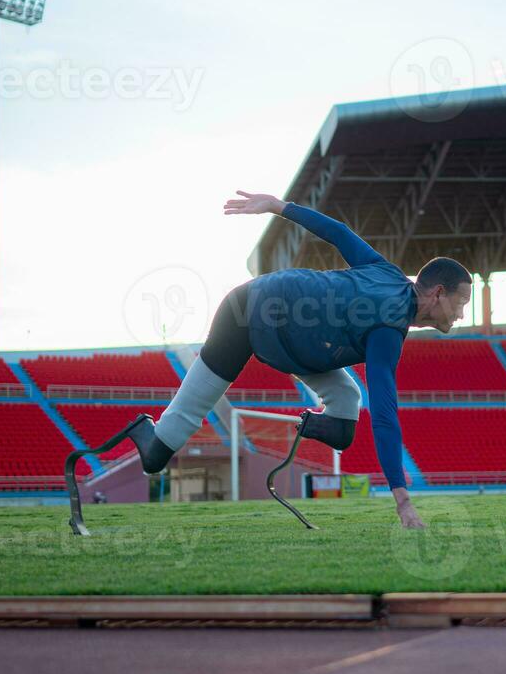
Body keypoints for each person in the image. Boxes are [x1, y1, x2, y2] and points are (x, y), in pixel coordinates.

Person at [123, 191, 471, 529]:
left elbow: (340, 234)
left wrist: (279, 206)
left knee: (346, 407)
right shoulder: (388, 326)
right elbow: (384, 416)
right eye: (460, 302)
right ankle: (143, 430)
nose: (461, 313)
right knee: (155, 457)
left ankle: (306, 422)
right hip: (246, 313)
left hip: (294, 345)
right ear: (438, 293)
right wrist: (403, 501)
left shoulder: (387, 274)